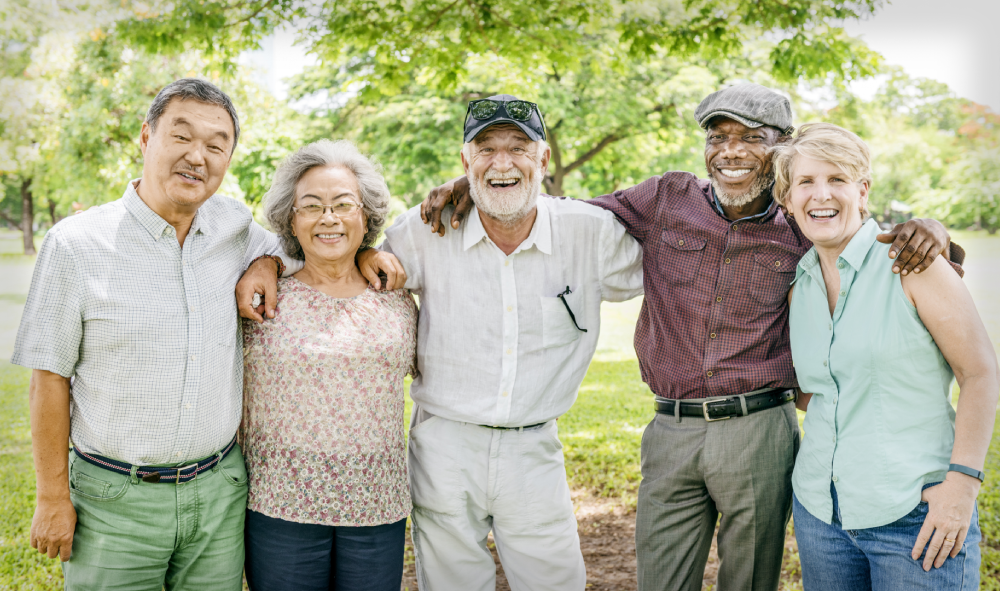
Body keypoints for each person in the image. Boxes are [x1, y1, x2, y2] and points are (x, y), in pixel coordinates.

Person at [419, 84, 961, 591]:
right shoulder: (664, 198)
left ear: (784, 149)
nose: (732, 151)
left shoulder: (801, 222)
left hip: (760, 428)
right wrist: (473, 185)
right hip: (670, 430)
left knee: (748, 579)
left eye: (753, 138)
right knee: (661, 576)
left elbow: (861, 221)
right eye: (719, 137)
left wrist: (931, 227)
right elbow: (559, 216)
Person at [239, 94, 644, 590]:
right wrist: (272, 262)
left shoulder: (590, 233)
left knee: (556, 581)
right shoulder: (426, 230)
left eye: (519, 147)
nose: (502, 162)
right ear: (465, 162)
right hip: (444, 445)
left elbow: (672, 259)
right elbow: (339, 253)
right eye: (485, 149)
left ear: (543, 159)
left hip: (534, 445)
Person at [11, 78, 402, 590]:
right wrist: (52, 498)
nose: (198, 156)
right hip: (114, 500)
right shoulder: (76, 244)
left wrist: (357, 252)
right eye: (182, 136)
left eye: (217, 145)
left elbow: (310, 244)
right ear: (146, 137)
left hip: (218, 498)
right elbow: (49, 378)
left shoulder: (233, 227)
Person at [773, 122, 997, 590]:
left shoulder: (913, 265)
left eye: (837, 179)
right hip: (821, 512)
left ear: (862, 190)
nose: (821, 195)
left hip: (915, 514)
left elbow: (979, 372)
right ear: (787, 199)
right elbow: (819, 392)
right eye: (806, 182)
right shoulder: (800, 285)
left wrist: (963, 484)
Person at [240, 139, 417, 591]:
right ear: (291, 220)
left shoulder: (396, 300)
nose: (329, 218)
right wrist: (265, 262)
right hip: (281, 505)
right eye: (312, 206)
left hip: (377, 505)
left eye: (343, 205)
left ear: (366, 217)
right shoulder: (263, 299)